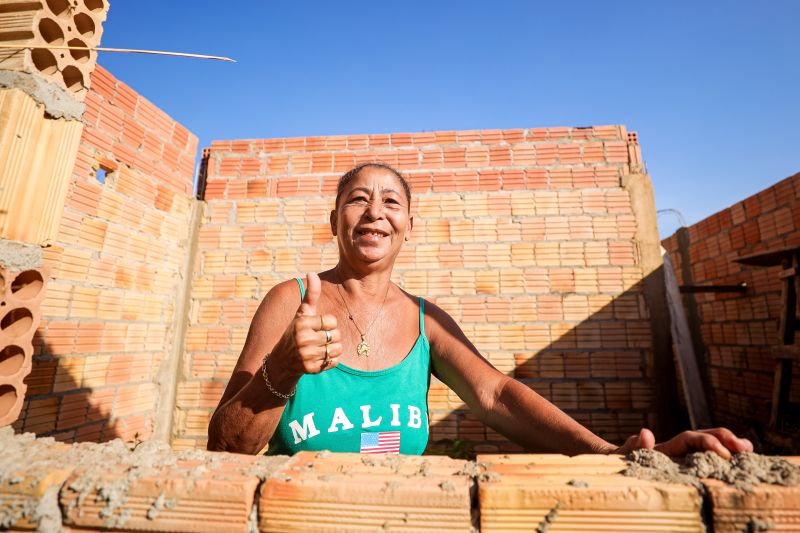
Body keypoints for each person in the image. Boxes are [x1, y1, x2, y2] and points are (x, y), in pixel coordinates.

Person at [207, 162, 752, 458]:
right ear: (334, 222)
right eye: (358, 199)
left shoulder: (427, 321)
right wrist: (281, 369)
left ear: (408, 229)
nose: (375, 211)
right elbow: (225, 445)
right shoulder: (290, 302)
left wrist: (608, 453)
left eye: (391, 201)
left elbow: (495, 395)